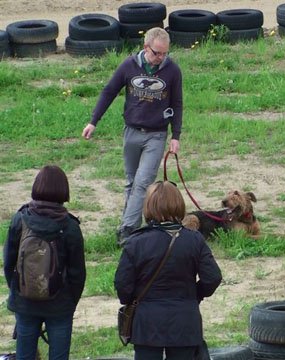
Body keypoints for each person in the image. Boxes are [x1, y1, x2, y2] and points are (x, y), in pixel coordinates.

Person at [81, 27, 183, 245]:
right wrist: (93, 121)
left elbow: (177, 103)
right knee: (130, 182)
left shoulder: (172, 71)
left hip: (156, 134)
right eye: (157, 53)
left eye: (165, 53)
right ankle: (134, 225)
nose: (161, 57)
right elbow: (109, 91)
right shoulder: (129, 66)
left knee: (142, 183)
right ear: (146, 47)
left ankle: (128, 230)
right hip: (132, 132)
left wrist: (176, 135)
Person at [114, 181, 222, 360]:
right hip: (184, 320)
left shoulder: (137, 242)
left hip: (147, 321)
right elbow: (213, 277)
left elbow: (122, 283)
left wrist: (132, 300)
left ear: (148, 206)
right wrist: (194, 295)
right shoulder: (194, 240)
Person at [3, 165, 86, 360]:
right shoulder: (70, 227)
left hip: (25, 302)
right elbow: (77, 273)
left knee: (25, 355)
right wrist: (69, 301)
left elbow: (9, 263)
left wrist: (19, 290)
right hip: (60, 304)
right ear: (63, 190)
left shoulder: (20, 219)